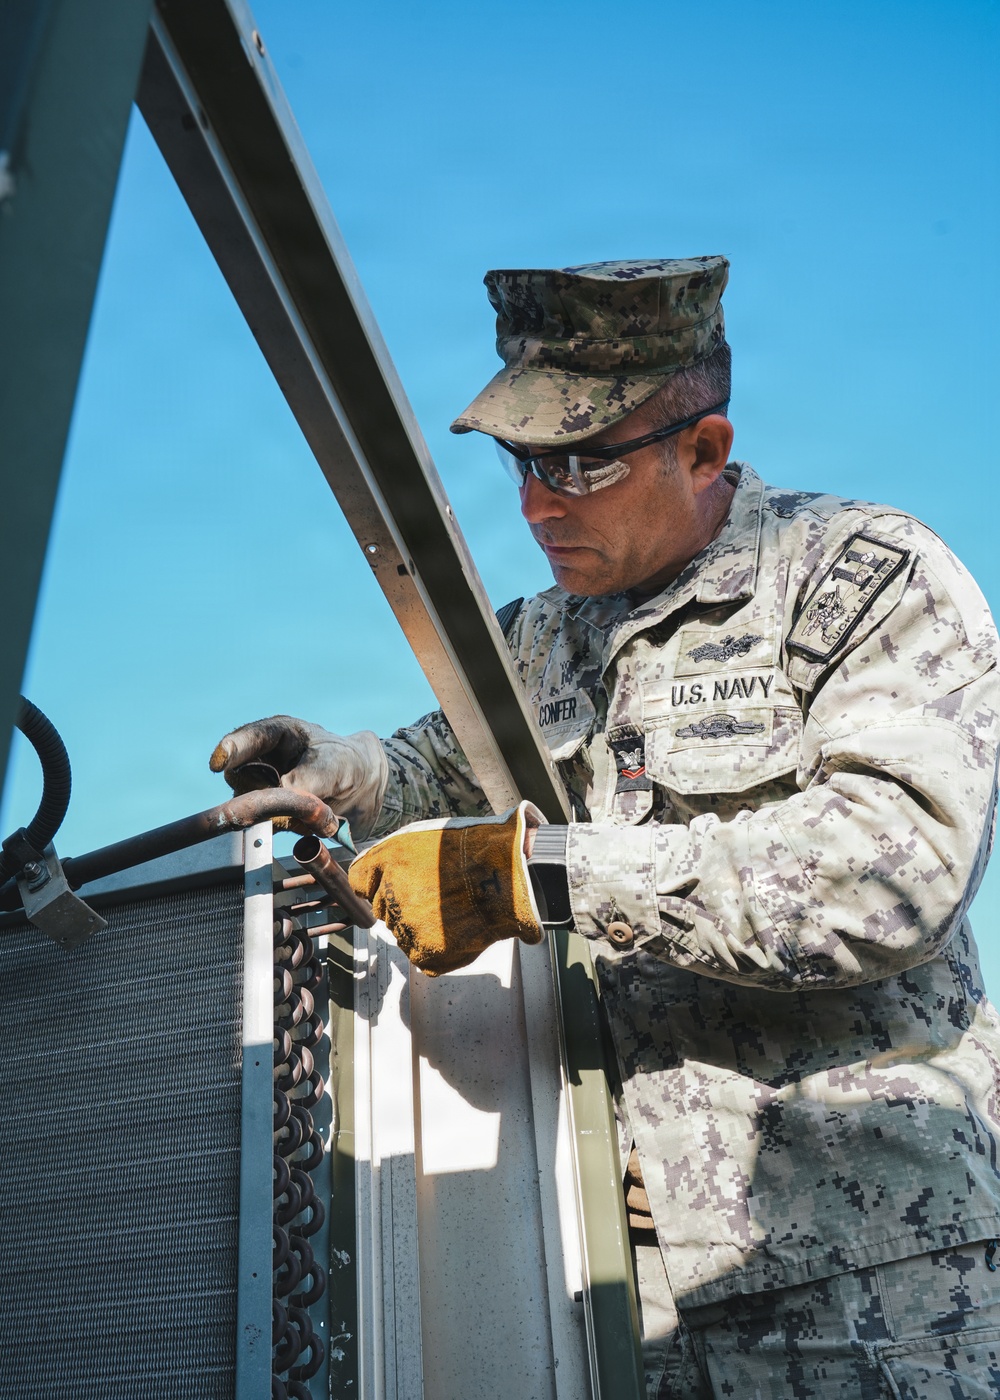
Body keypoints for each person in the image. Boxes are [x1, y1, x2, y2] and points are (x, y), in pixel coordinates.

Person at [211, 258, 1000, 1397]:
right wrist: (348, 768)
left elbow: (891, 874)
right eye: (525, 462)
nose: (538, 504)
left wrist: (533, 874)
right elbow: (442, 768)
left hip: (873, 1277)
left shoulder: (860, 577)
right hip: (605, 1285)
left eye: (582, 462)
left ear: (703, 449)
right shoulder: (542, 636)